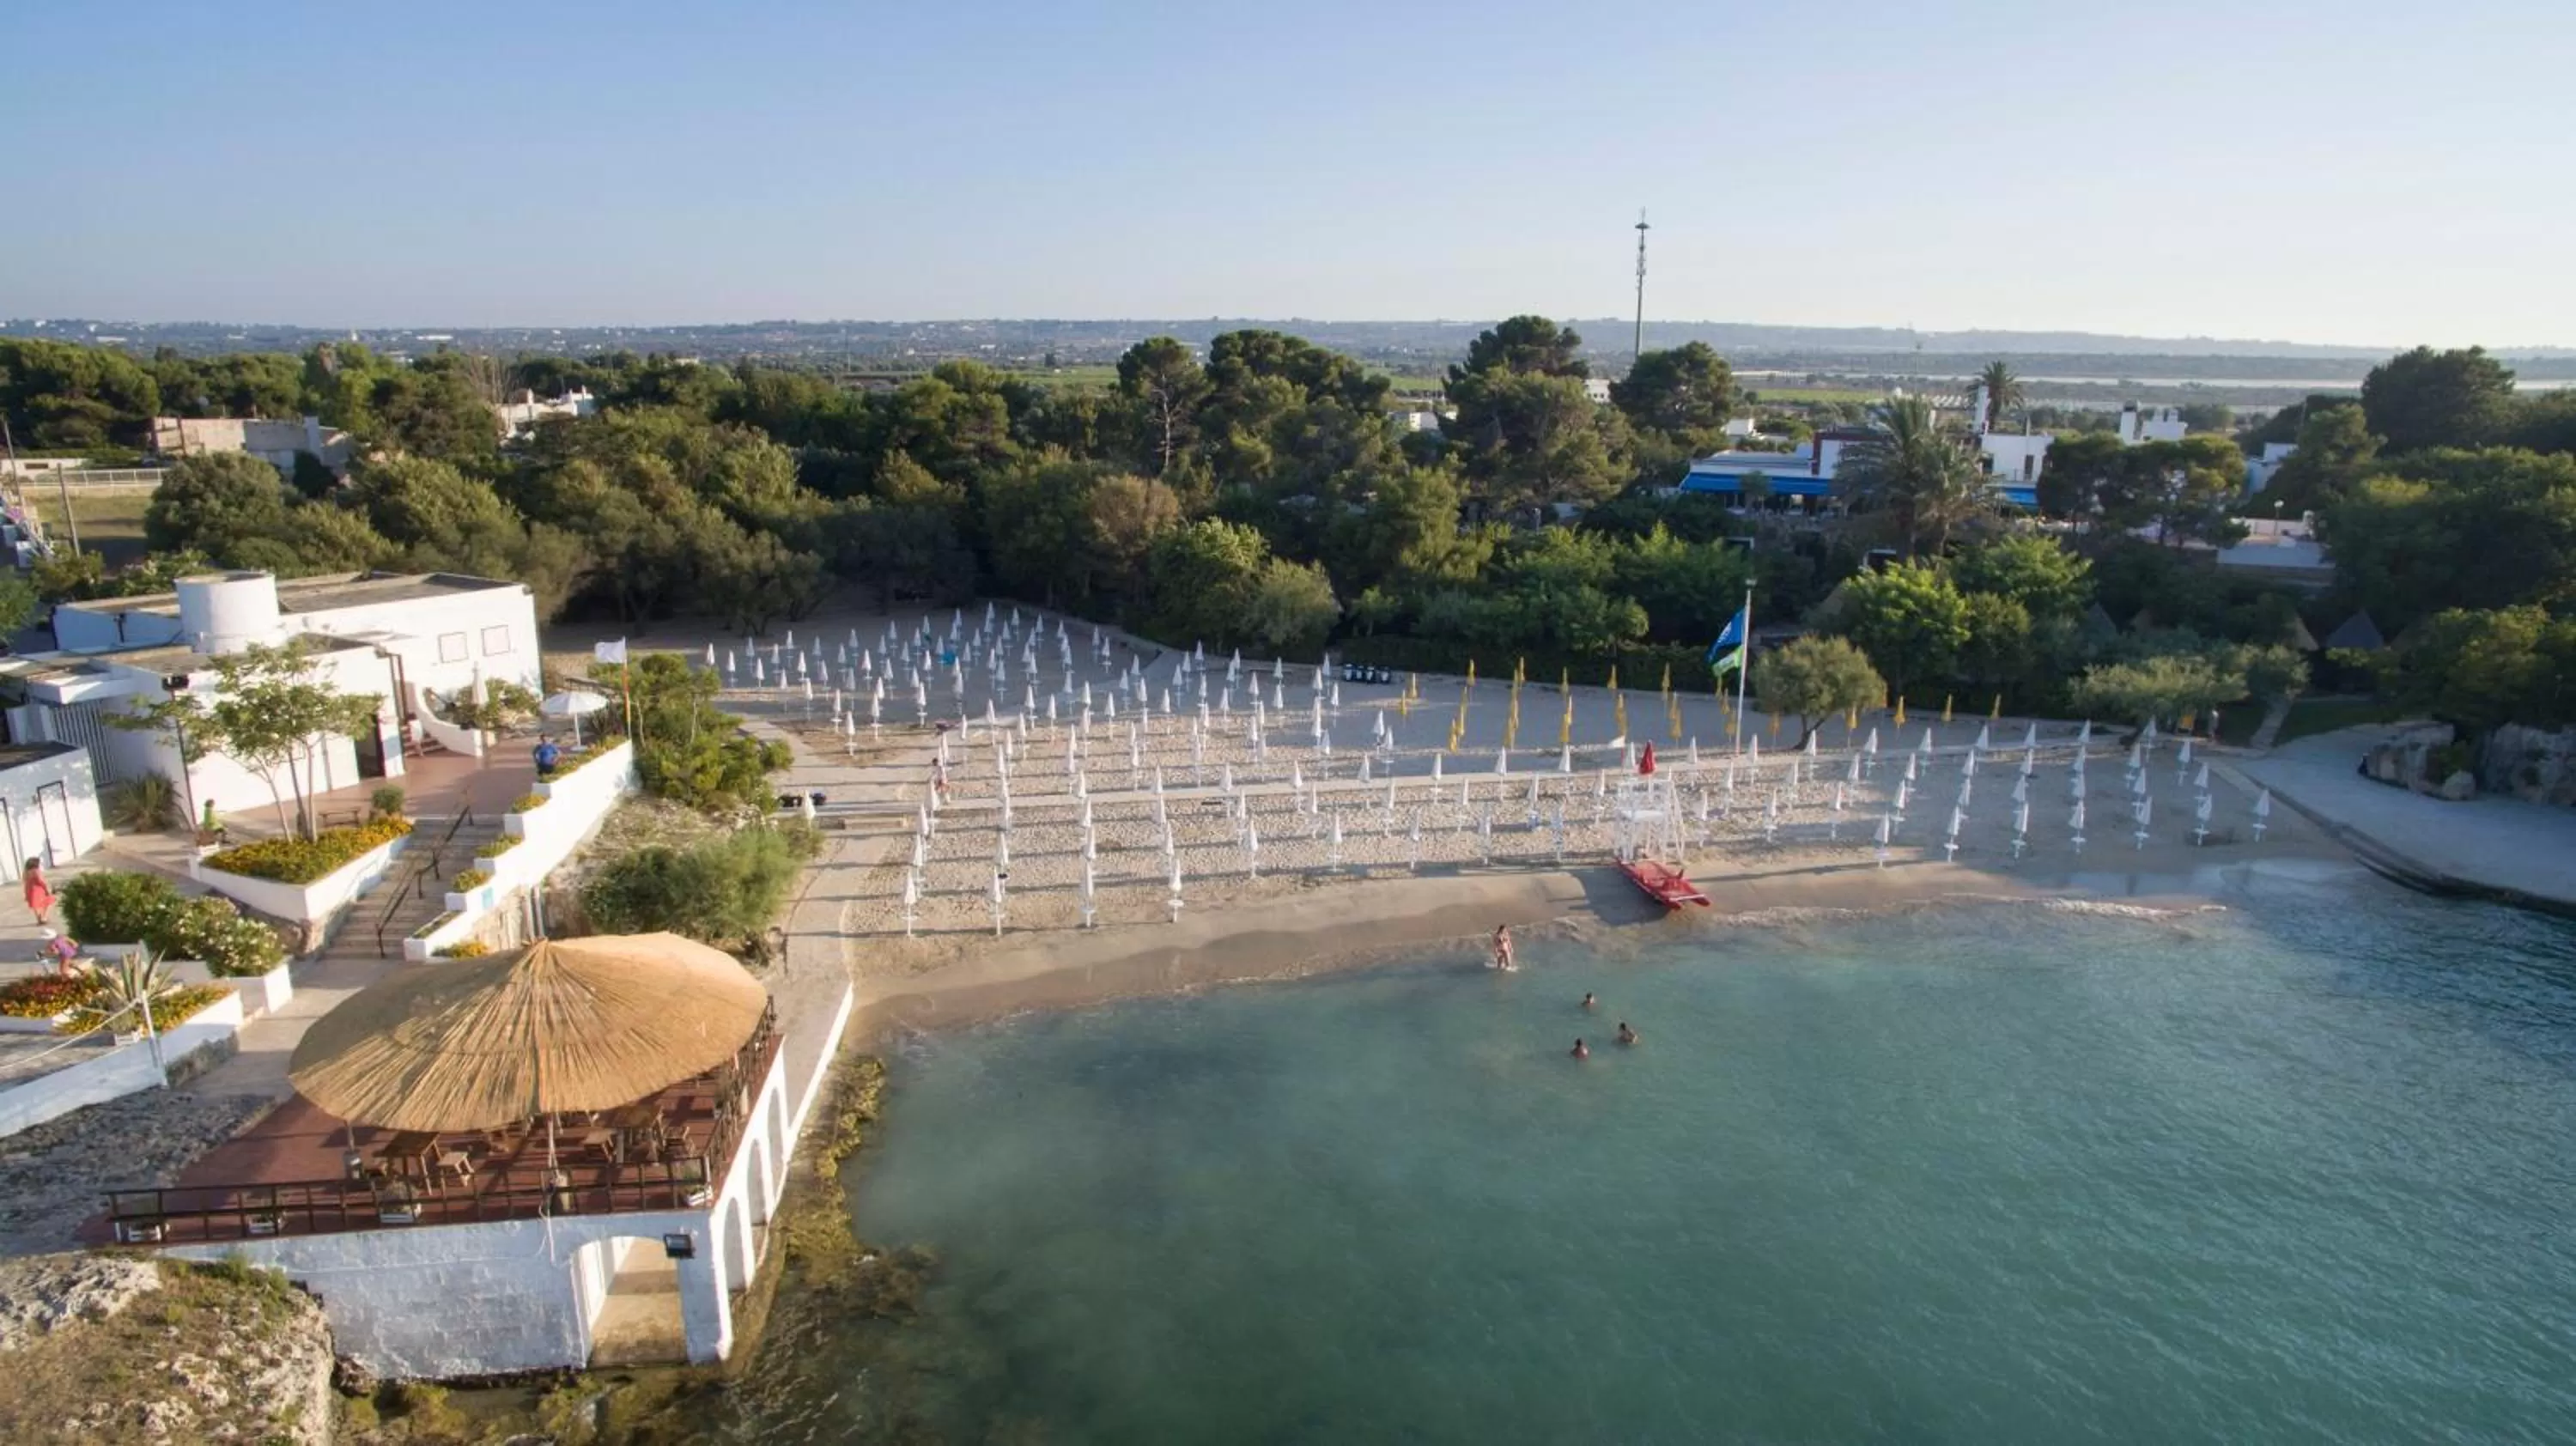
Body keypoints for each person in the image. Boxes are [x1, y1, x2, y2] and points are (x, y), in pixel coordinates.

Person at [21, 859, 52, 928]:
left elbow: (25, 884)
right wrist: (46, 889)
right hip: (38, 890)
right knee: (49, 901)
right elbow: (41, 881)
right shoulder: (36, 871)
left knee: (36, 906)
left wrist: (26, 894)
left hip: (30, 890)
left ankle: (39, 920)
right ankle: (44, 917)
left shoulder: (26, 872)